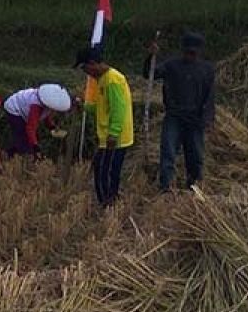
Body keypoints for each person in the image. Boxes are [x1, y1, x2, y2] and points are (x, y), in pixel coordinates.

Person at [145, 32, 216, 191]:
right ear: (182, 50)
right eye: (187, 52)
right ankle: (166, 188)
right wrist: (151, 57)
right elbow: (150, 74)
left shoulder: (206, 70)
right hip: (174, 116)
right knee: (168, 153)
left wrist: (208, 119)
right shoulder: (172, 66)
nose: (190, 55)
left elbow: (210, 97)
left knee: (195, 156)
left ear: (199, 52)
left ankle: (194, 187)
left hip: (195, 119)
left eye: (193, 52)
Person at [75, 47, 135, 208]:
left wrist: (113, 134)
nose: (86, 73)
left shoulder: (112, 80)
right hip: (107, 136)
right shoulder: (102, 80)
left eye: (84, 68)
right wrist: (84, 106)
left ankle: (109, 203)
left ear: (93, 64)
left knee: (106, 171)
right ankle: (107, 202)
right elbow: (102, 107)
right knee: (102, 169)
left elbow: (118, 108)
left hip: (115, 138)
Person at [3, 83, 73, 159]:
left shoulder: (47, 102)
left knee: (25, 138)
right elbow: (30, 128)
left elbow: (46, 114)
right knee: (22, 135)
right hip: (14, 108)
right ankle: (16, 156)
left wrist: (51, 127)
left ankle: (10, 152)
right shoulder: (36, 106)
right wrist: (35, 146)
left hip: (24, 106)